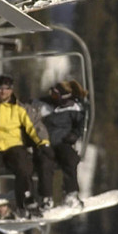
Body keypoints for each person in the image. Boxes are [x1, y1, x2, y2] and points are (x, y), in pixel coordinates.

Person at [0, 73, 51, 217]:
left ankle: (26, 202)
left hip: (13, 145)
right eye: (0, 88)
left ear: (11, 90)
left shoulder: (20, 108)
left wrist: (43, 143)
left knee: (23, 164)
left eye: (7, 89)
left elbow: (34, 126)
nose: (3, 92)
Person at [31, 79, 88, 209]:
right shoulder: (42, 105)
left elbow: (81, 123)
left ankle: (70, 194)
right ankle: (46, 197)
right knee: (45, 162)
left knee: (71, 158)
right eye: (52, 94)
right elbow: (28, 116)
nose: (53, 97)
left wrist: (75, 134)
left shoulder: (73, 107)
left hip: (63, 142)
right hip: (45, 143)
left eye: (56, 95)